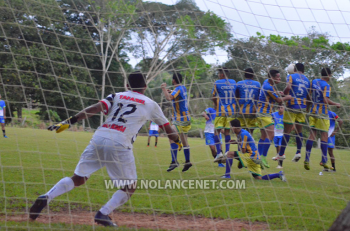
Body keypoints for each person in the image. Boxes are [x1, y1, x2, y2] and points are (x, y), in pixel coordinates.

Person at [29, 72, 182, 227]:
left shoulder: (116, 96)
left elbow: (96, 108)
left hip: (99, 138)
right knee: (130, 187)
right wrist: (178, 141)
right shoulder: (150, 104)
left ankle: (46, 197)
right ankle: (103, 213)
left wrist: (71, 120)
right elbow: (168, 130)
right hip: (120, 142)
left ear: (127, 86)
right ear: (145, 87)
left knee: (79, 178)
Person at [221, 119, 286, 182]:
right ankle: (278, 174)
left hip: (251, 156)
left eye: (231, 127)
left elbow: (243, 151)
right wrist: (236, 142)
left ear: (234, 127)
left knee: (229, 154)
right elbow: (246, 143)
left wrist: (240, 159)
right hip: (256, 157)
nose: (230, 128)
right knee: (259, 178)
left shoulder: (243, 134)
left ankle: (227, 175)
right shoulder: (241, 132)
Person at [304, 68, 341, 170]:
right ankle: (324, 161)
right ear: (329, 75)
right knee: (324, 136)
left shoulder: (314, 81)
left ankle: (307, 158)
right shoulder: (326, 85)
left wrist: (307, 108)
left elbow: (308, 95)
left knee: (312, 135)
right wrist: (336, 104)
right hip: (322, 113)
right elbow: (325, 99)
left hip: (312, 112)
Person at [257, 70, 292, 168]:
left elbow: (270, 94)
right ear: (272, 77)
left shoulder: (266, 83)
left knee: (263, 136)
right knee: (271, 135)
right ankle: (263, 157)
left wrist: (277, 92)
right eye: (277, 77)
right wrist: (287, 97)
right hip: (265, 113)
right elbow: (278, 100)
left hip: (259, 112)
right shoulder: (269, 86)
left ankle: (258, 157)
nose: (279, 79)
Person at [277, 63, 310, 162]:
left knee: (286, 131)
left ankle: (281, 153)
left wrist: (284, 95)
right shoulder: (307, 80)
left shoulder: (291, 76)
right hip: (302, 108)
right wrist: (307, 108)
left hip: (292, 106)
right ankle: (298, 152)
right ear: (303, 71)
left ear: (294, 69)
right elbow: (308, 96)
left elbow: (288, 87)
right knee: (299, 131)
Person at [161, 73, 192, 172]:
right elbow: (176, 95)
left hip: (180, 119)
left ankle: (174, 161)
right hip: (186, 118)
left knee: (171, 135)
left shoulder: (177, 89)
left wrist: (164, 89)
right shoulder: (183, 88)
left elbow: (169, 98)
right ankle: (187, 162)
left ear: (173, 80)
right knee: (184, 141)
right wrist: (170, 91)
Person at [211, 67, 237, 164]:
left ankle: (219, 153)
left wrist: (216, 104)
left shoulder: (217, 82)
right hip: (231, 112)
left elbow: (213, 96)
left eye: (219, 73)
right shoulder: (234, 82)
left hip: (221, 111)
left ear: (222, 74)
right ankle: (227, 152)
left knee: (216, 132)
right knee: (227, 132)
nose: (218, 75)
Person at [235, 68, 260, 134]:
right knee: (250, 133)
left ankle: (241, 144)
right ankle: (248, 144)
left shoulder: (239, 84)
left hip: (241, 111)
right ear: (253, 75)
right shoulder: (257, 84)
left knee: (240, 132)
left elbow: (236, 97)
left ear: (244, 75)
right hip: (252, 111)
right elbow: (259, 98)